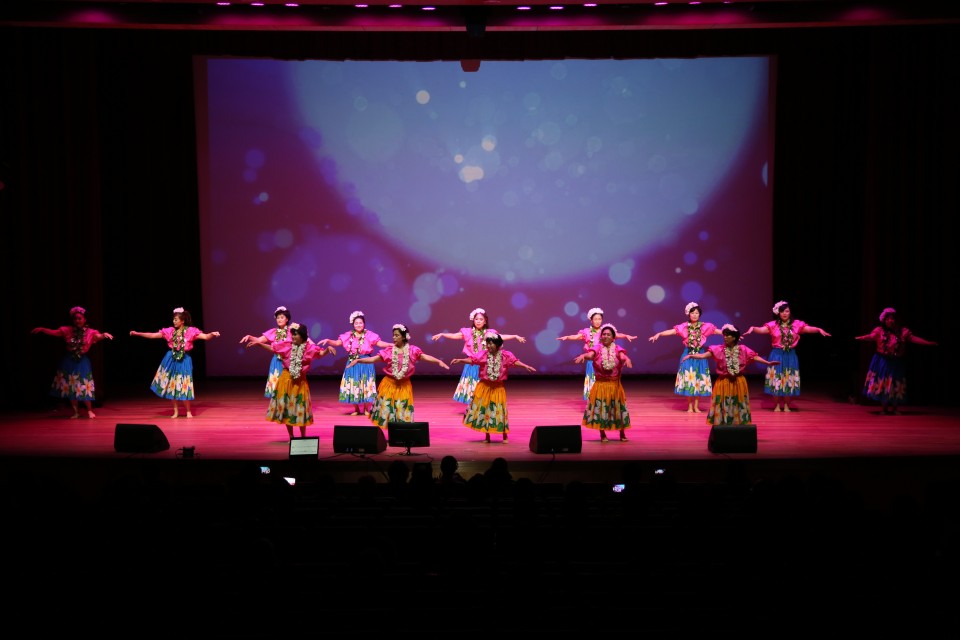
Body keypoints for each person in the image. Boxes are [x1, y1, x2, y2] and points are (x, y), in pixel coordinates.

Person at [346, 323, 450, 428]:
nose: (394, 338)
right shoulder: (389, 351)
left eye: (397, 335)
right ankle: (386, 432)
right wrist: (359, 360)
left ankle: (400, 432)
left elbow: (425, 357)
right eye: (393, 335)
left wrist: (438, 361)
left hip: (404, 386)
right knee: (386, 411)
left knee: (402, 411)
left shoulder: (412, 350)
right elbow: (373, 359)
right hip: (389, 385)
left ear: (404, 337)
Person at [130, 307, 221, 418]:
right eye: (173, 319)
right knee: (172, 384)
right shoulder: (170, 331)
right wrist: (138, 333)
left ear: (182, 321)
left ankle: (188, 411)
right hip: (170, 359)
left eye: (176, 319)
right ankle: (175, 411)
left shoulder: (190, 331)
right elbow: (153, 335)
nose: (174, 321)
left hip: (184, 359)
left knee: (184, 383)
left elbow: (206, 337)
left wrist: (212, 334)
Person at [682, 324, 780, 426]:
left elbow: (754, 357)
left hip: (738, 382)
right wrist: (691, 356)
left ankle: (738, 423)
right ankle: (723, 423)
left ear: (734, 337)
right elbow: (703, 356)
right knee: (723, 402)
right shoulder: (718, 349)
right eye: (724, 335)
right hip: (723, 382)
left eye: (727, 335)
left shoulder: (743, 349)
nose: (725, 337)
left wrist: (767, 363)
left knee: (738, 402)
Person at [743, 300, 832, 412]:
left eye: (787, 311)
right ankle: (776, 405)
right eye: (782, 311)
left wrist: (818, 329)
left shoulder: (796, 325)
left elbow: (808, 329)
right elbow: (761, 330)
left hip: (790, 355)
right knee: (776, 379)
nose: (784, 313)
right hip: (777, 355)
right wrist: (753, 328)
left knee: (788, 379)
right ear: (778, 313)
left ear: (790, 312)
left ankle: (786, 405)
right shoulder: (773, 325)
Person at [432, 308, 527, 411]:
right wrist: (442, 334)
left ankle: (484, 405)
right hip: (471, 363)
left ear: (485, 321)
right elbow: (455, 335)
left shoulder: (489, 333)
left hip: (484, 363)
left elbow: (501, 337)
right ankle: (472, 408)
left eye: (481, 319)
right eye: (476, 319)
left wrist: (515, 336)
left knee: (483, 385)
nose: (478, 321)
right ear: (473, 320)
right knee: (471, 385)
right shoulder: (468, 332)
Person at [253, 322, 336, 439]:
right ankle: (291, 436)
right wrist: (259, 344)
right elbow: (273, 348)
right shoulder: (287, 345)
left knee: (300, 408)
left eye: (295, 334)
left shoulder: (309, 348)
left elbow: (320, 353)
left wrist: (328, 349)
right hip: (285, 380)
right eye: (292, 334)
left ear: (302, 336)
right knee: (287, 409)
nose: (293, 337)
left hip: (300, 382)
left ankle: (303, 437)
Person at [450, 332, 536, 443]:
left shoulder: (506, 355)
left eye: (491, 344)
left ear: (498, 344)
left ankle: (504, 436)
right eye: (487, 344)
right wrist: (461, 360)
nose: (488, 346)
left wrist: (525, 366)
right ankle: (487, 436)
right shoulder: (483, 354)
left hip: (498, 387)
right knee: (486, 411)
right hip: (484, 386)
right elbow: (473, 360)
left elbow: (514, 362)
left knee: (499, 410)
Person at [31, 306, 114, 419]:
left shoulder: (90, 332)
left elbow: (98, 336)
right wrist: (42, 329)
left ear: (84, 319)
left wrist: (104, 335)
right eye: (75, 319)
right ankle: (76, 412)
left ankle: (89, 410)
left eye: (80, 318)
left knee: (84, 385)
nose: (77, 321)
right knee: (71, 386)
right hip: (69, 361)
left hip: (82, 361)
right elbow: (54, 332)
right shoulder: (67, 330)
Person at [855, 307, 937, 415]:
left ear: (896, 320)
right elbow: (871, 336)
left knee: (896, 383)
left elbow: (914, 338)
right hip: (882, 361)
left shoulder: (903, 332)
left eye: (892, 318)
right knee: (884, 382)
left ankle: (895, 408)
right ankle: (884, 408)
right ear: (884, 320)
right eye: (888, 319)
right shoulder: (879, 331)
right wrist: (862, 337)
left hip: (896, 361)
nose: (891, 320)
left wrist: (927, 343)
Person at [648, 302, 721, 413]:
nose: (695, 315)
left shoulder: (705, 326)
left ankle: (696, 406)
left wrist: (731, 334)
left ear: (700, 314)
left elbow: (717, 331)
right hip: (687, 355)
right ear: (688, 314)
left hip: (700, 355)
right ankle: (690, 406)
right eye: (692, 313)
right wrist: (659, 334)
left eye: (697, 313)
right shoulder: (684, 327)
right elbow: (672, 331)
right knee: (689, 380)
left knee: (698, 379)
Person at [318, 311, 391, 416]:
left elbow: (380, 343)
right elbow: (337, 342)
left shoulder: (369, 335)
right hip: (352, 362)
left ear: (364, 324)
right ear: (353, 324)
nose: (358, 325)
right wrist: (329, 341)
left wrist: (390, 344)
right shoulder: (348, 335)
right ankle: (356, 409)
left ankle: (366, 409)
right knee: (352, 385)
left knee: (366, 384)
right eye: (356, 323)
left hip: (366, 362)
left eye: (360, 323)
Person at [559, 307, 638, 401]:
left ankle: (606, 401)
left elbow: (617, 334)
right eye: (595, 319)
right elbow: (576, 336)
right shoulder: (587, 332)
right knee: (592, 383)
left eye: (599, 319)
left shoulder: (604, 331)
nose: (598, 321)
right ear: (591, 320)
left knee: (604, 383)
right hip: (592, 361)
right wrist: (567, 337)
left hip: (603, 360)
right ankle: (592, 403)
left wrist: (626, 336)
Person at [574, 323, 633, 442]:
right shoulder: (597, 348)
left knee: (618, 409)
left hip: (615, 385)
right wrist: (584, 355)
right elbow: (590, 355)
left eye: (608, 334)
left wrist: (627, 359)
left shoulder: (618, 348)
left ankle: (622, 433)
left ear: (613, 337)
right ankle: (603, 435)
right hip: (601, 385)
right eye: (604, 334)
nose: (605, 336)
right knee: (601, 410)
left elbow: (622, 356)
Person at [239, 305, 293, 399]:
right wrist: (249, 336)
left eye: (282, 317)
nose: (279, 319)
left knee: (288, 386)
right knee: (276, 386)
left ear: (287, 319)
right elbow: (258, 340)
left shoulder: (292, 332)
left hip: (288, 362)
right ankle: (277, 406)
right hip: (277, 361)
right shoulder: (273, 332)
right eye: (278, 318)